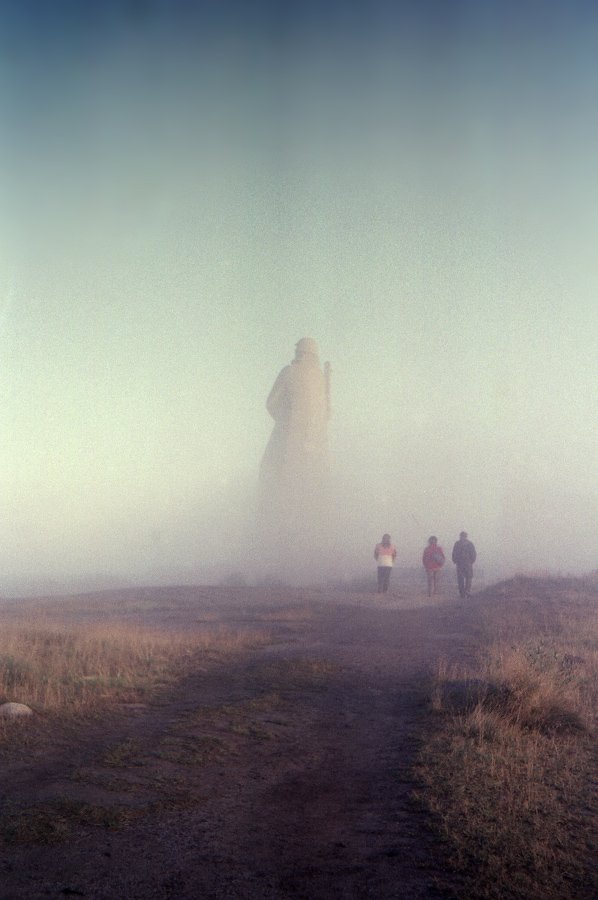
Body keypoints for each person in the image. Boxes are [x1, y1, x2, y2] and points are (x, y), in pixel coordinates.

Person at [451, 531, 477, 598]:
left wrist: (471, 561)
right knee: (461, 578)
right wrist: (455, 560)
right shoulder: (457, 544)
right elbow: (454, 553)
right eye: (462, 536)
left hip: (467, 563)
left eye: (463, 536)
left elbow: (473, 553)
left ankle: (467, 591)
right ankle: (462, 593)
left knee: (468, 577)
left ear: (466, 536)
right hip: (460, 563)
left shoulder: (469, 544)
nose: (462, 537)